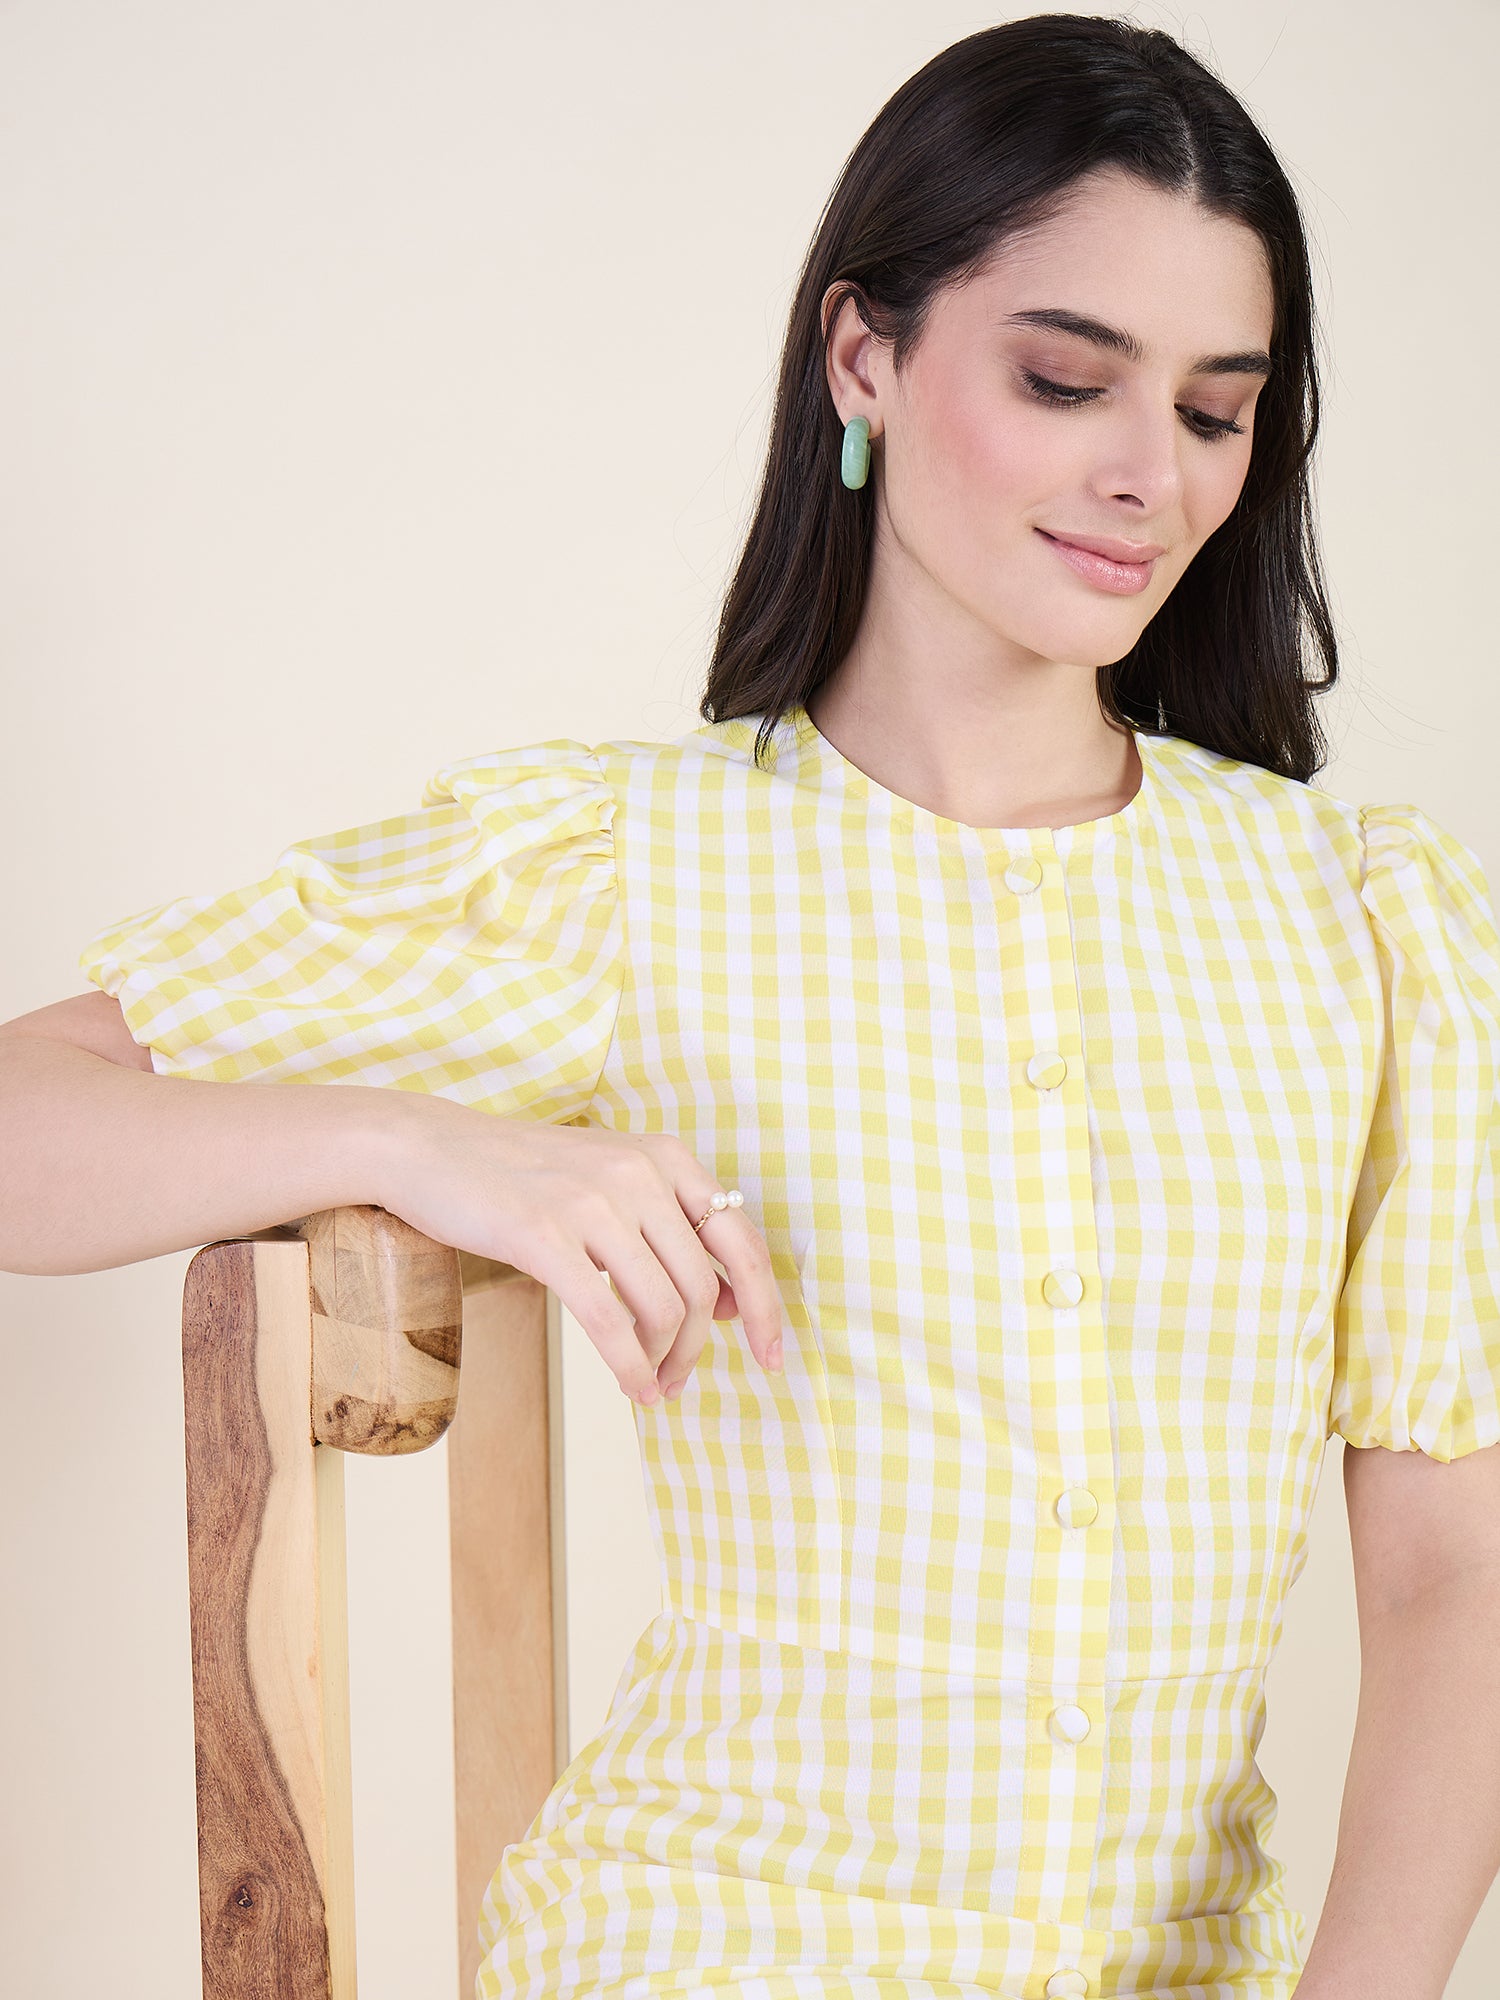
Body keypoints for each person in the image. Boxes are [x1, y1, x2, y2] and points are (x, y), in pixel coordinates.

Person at [5, 13, 1500, 1998]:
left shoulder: (1360, 923)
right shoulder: (621, 868)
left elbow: (1455, 1572)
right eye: (1066, 381)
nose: (1150, 476)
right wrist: (430, 1147)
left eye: (1219, 414)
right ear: (862, 356)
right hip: (710, 1942)